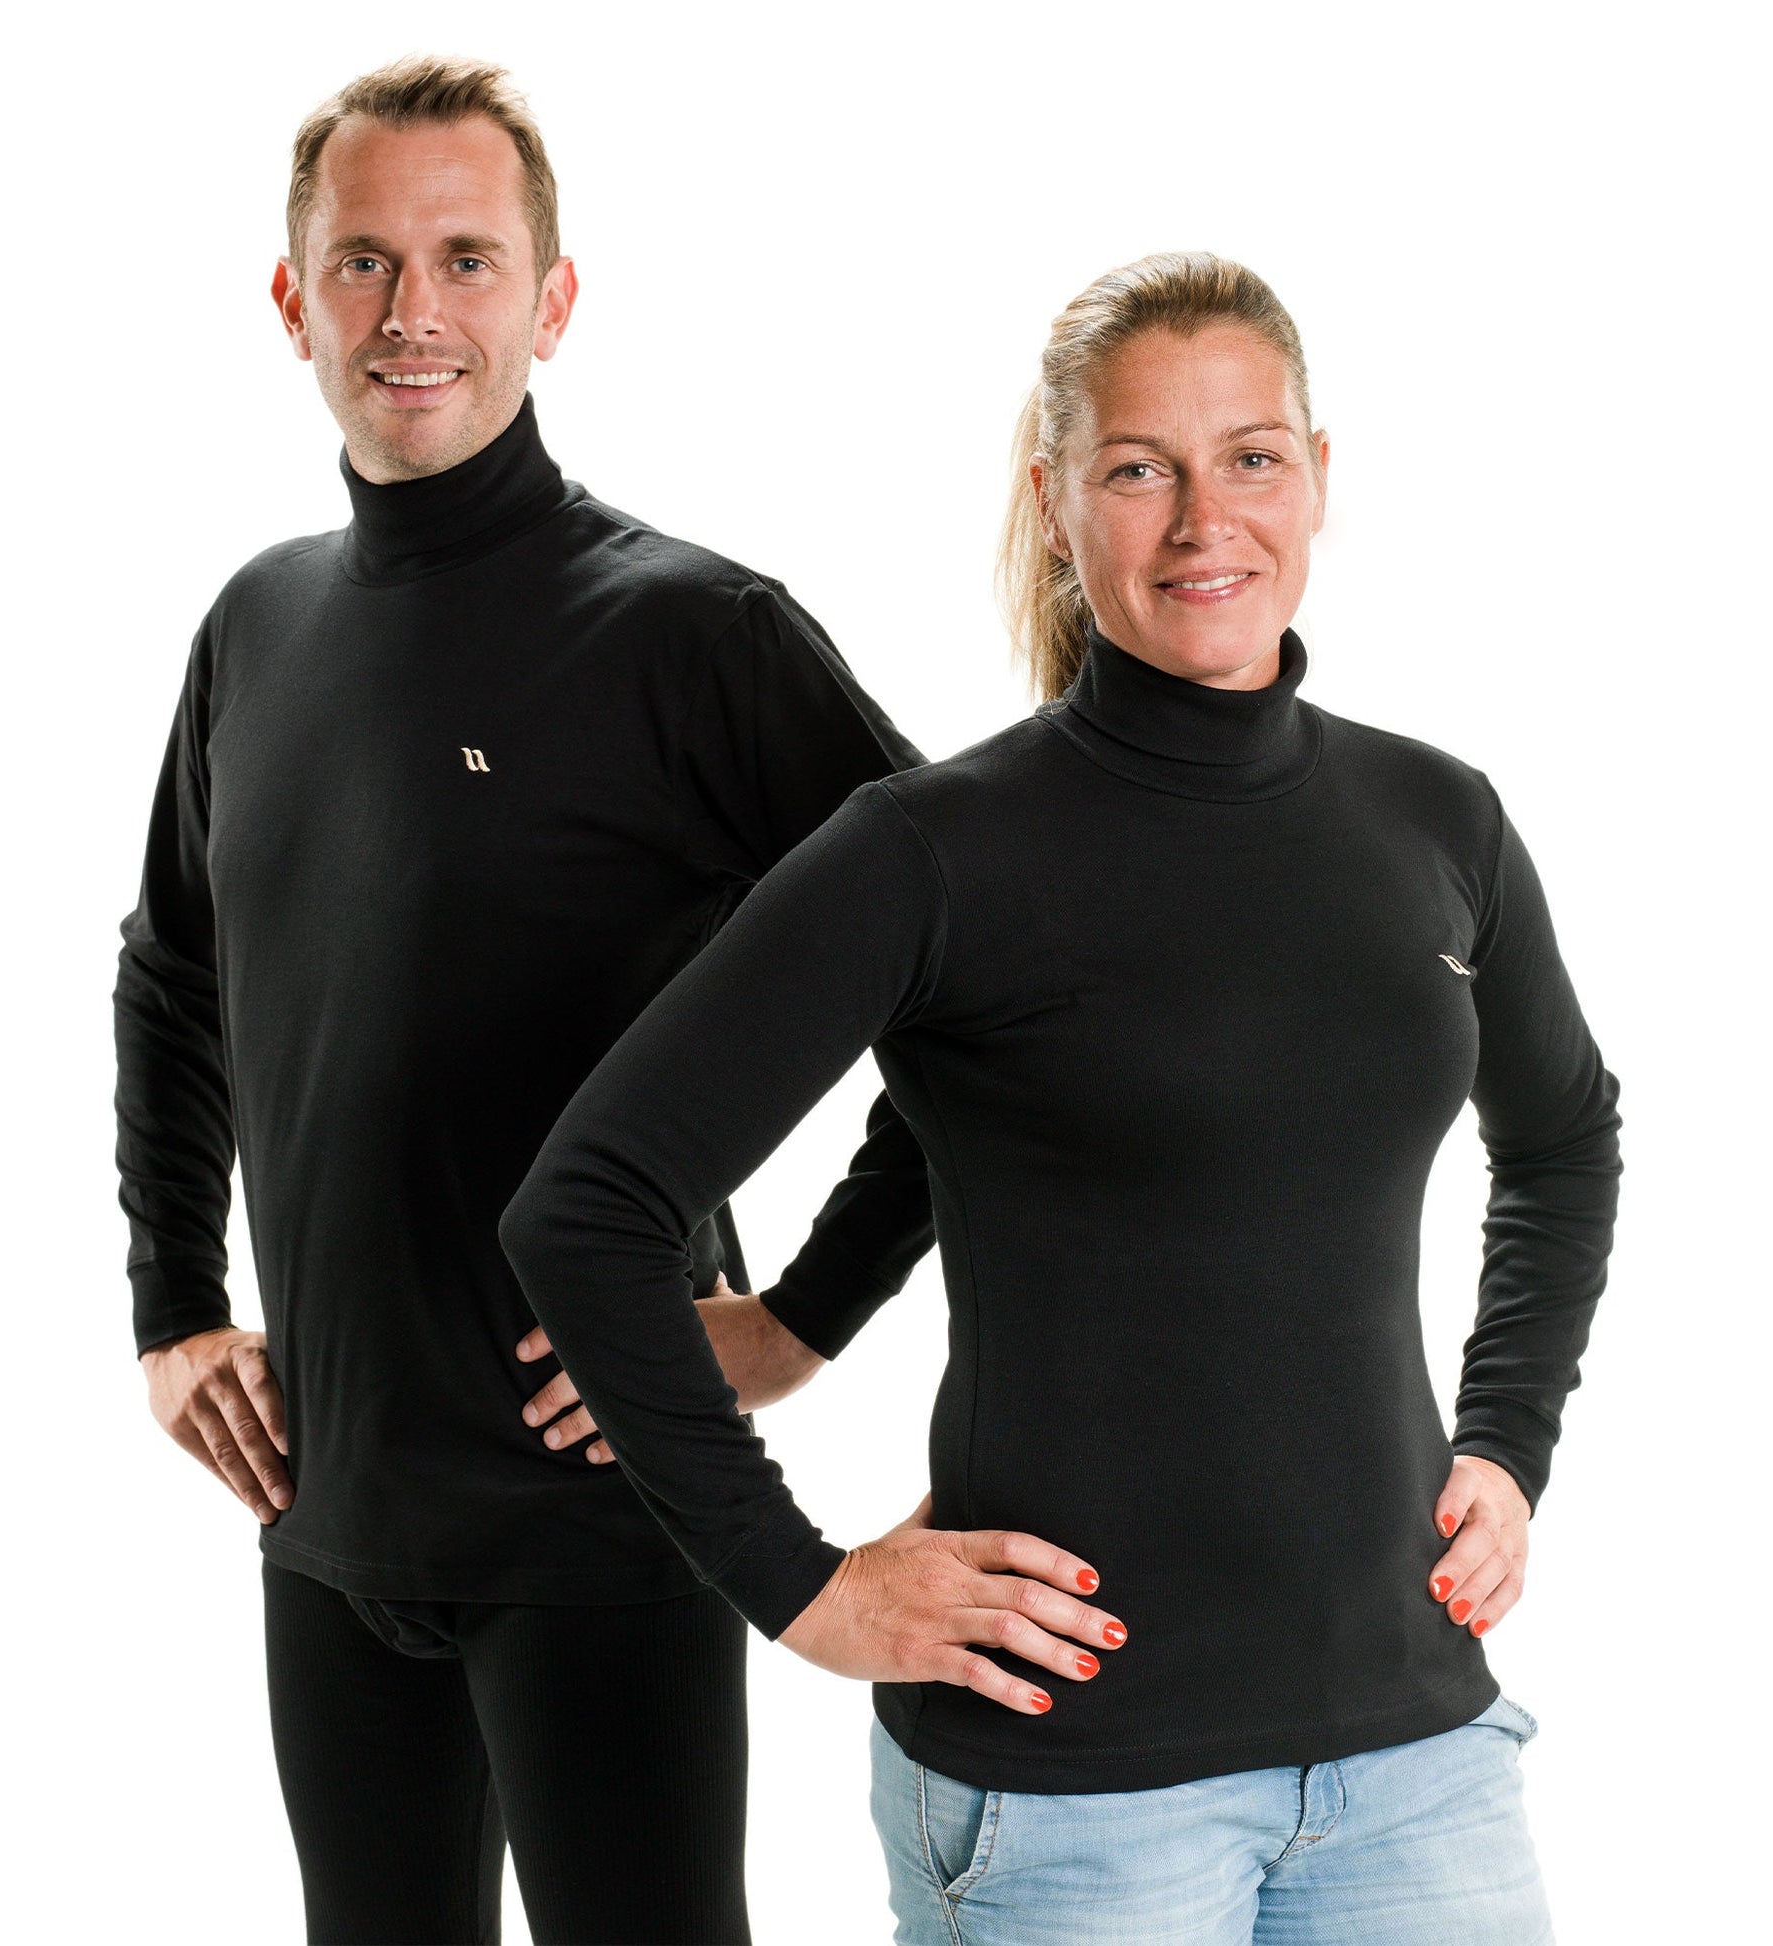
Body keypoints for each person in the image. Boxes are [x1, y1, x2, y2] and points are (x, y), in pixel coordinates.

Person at [499, 252, 1621, 1944]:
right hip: (1069, 1792)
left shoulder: (1435, 819)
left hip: (1414, 1752)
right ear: (1054, 498)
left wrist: (1507, 1441)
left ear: (1319, 475)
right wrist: (798, 1585)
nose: (1202, 520)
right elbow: (583, 1209)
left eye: (1250, 457)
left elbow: (1563, 1138)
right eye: (1138, 468)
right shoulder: (935, 850)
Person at [113, 54, 936, 1946]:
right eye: (365, 262)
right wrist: (173, 1307)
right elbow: (171, 974)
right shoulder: (256, 624)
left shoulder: (693, 633)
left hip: (604, 1521)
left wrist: (800, 1318)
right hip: (328, 1523)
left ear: (552, 301)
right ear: (293, 299)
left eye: (467, 260)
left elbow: (979, 988)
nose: (412, 311)